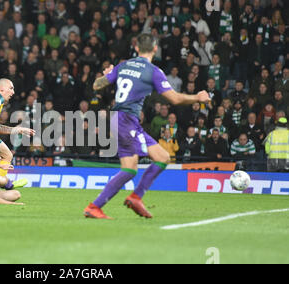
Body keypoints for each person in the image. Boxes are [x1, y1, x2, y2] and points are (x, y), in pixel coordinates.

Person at [83, 34, 211, 219]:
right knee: (129, 169)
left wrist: (106, 74)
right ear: (155, 49)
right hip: (126, 120)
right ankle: (95, 206)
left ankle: (135, 197)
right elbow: (174, 98)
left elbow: (96, 85)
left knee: (162, 157)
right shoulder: (153, 71)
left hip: (123, 119)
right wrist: (197, 98)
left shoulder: (124, 65)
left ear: (136, 48)